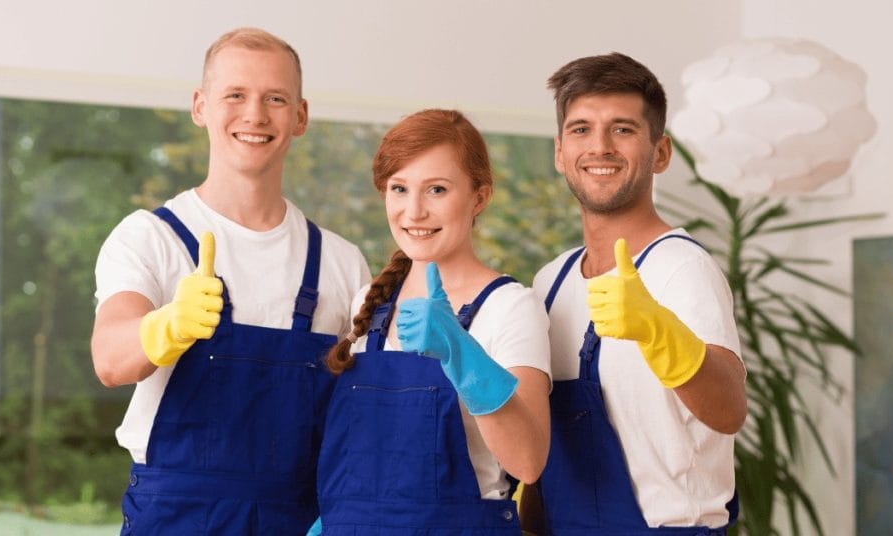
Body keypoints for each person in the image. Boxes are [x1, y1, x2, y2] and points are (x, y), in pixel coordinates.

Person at [90, 27, 370, 535]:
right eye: (235, 95)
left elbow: (361, 416)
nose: (255, 115)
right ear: (200, 106)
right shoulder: (151, 237)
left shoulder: (341, 262)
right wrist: (167, 326)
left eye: (276, 98)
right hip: (176, 517)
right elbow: (110, 359)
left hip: (300, 517)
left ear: (301, 116)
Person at [527, 53, 747, 533]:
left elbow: (730, 410)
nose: (599, 147)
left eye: (622, 129)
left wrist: (658, 330)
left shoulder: (681, 268)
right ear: (560, 151)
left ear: (660, 153)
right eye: (581, 129)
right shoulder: (551, 281)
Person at [308, 109, 551, 534]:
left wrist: (460, 351)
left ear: (479, 198)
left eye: (437, 189)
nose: (414, 211)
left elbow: (529, 462)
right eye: (399, 189)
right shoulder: (369, 304)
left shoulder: (510, 307)